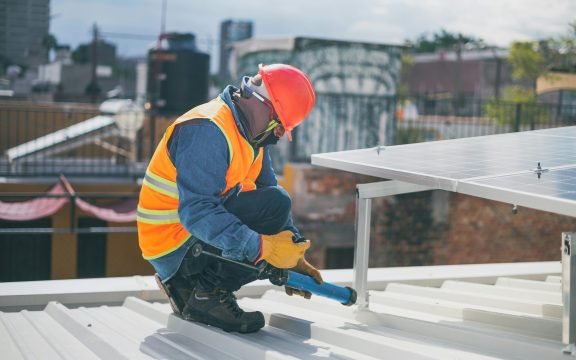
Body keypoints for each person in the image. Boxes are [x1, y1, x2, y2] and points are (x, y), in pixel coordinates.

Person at [137, 63, 323, 334]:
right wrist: (263, 248)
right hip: (174, 246)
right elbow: (197, 212)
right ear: (260, 103)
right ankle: (206, 295)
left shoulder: (252, 136)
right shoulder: (207, 129)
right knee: (272, 212)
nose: (280, 135)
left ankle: (201, 291)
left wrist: (292, 256)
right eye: (279, 124)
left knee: (275, 205)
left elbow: (270, 205)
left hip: (192, 238)